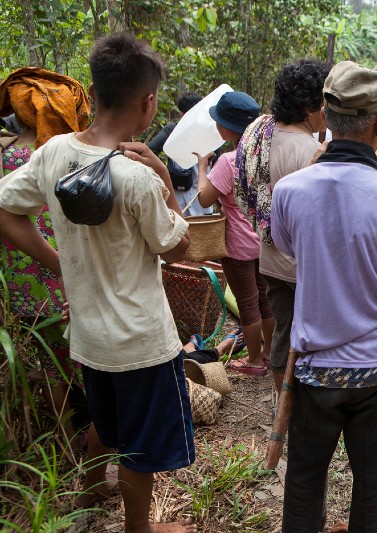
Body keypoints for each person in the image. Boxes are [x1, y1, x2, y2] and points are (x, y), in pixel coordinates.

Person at [0, 34, 196, 533]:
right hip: (141, 342)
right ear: (149, 102)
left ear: (94, 90)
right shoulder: (139, 176)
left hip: (88, 336)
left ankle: (88, 498)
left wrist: (58, 264)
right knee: (140, 445)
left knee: (103, 425)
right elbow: (178, 249)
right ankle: (139, 529)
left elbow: (6, 209)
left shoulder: (53, 153)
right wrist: (168, 186)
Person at [271, 60, 377, 531]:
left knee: (303, 479)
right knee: (370, 484)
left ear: (326, 114)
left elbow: (285, 246)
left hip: (315, 372)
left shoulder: (290, 191)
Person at [0, 67, 92, 444]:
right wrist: (61, 265)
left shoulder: (6, 151)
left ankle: (65, 441)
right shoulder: (52, 157)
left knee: (51, 366)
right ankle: (91, 450)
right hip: (58, 279)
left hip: (17, 286)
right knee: (82, 366)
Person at [233, 59, 330, 391]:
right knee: (306, 340)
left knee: (281, 334)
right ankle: (302, 402)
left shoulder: (260, 132)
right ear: (308, 106)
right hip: (301, 266)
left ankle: (281, 402)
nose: (326, 112)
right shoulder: (311, 152)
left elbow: (245, 185)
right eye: (323, 103)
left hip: (270, 258)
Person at [194, 91, 274, 376]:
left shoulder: (228, 161)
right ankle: (269, 354)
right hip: (264, 242)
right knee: (265, 300)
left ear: (227, 129)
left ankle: (254, 361)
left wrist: (203, 167)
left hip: (238, 247)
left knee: (248, 304)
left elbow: (204, 198)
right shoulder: (265, 155)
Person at [148, 91, 213, 216]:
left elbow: (150, 151)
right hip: (200, 199)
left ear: (181, 113)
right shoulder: (208, 131)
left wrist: (162, 173)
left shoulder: (172, 130)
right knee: (204, 233)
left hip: (179, 199)